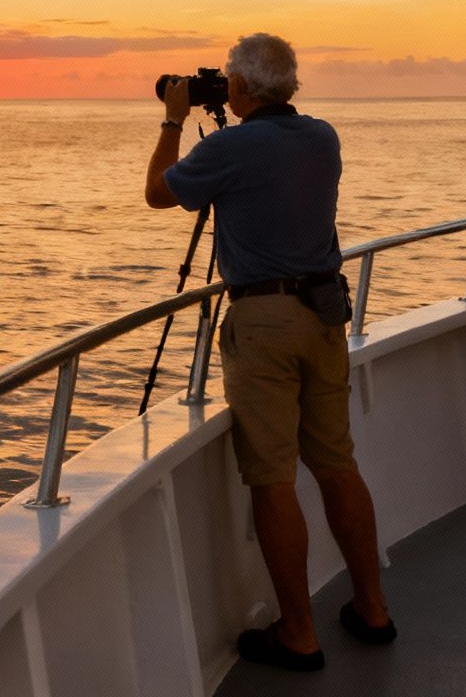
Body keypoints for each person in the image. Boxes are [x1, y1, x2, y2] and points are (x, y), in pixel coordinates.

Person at [146, 33, 394, 670]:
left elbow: (158, 191)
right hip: (323, 315)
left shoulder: (230, 147)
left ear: (240, 87)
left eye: (227, 77)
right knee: (338, 464)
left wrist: (174, 117)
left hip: (263, 323)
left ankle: (299, 633)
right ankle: (373, 607)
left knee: (272, 479)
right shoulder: (322, 137)